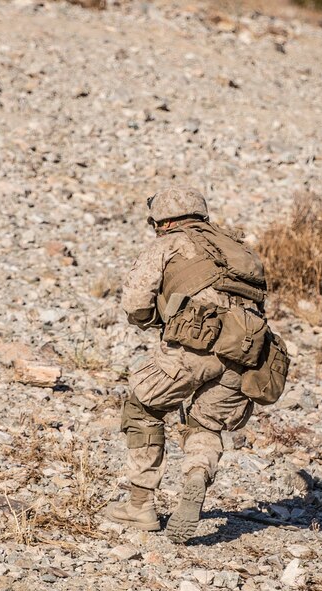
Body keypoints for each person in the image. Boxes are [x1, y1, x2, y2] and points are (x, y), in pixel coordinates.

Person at [106, 187, 286, 544]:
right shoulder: (236, 248)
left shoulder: (169, 243)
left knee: (143, 409)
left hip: (193, 345)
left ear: (164, 220)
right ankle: (196, 475)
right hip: (245, 353)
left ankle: (140, 505)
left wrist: (158, 322)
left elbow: (135, 303)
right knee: (204, 423)